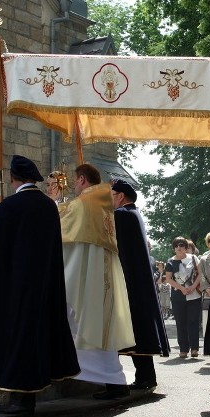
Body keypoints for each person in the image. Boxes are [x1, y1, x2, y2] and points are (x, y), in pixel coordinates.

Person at [0, 154, 80, 414]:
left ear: (12, 178)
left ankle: (21, 400)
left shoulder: (9, 206)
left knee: (19, 337)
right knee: (38, 335)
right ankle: (30, 394)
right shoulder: (48, 206)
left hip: (17, 285)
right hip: (45, 284)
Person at [59, 164, 135, 400]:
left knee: (81, 321)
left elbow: (60, 224)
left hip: (86, 274)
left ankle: (110, 381)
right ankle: (114, 381)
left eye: (74, 180)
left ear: (82, 179)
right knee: (101, 324)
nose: (73, 185)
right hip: (102, 273)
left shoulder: (84, 203)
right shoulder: (102, 202)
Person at [111, 179, 170, 391]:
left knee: (136, 328)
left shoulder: (122, 214)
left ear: (120, 196)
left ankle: (144, 377)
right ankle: (145, 376)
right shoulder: (133, 213)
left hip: (130, 281)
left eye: (111, 194)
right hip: (138, 280)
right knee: (140, 329)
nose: (110, 199)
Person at [165, 236, 202, 358]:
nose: (179, 248)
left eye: (181, 245)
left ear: (186, 247)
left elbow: (200, 274)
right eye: (176, 246)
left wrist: (192, 287)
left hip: (194, 295)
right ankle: (183, 349)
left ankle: (195, 348)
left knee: (193, 321)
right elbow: (169, 279)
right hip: (178, 296)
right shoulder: (170, 262)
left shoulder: (193, 258)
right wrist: (181, 288)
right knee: (181, 322)